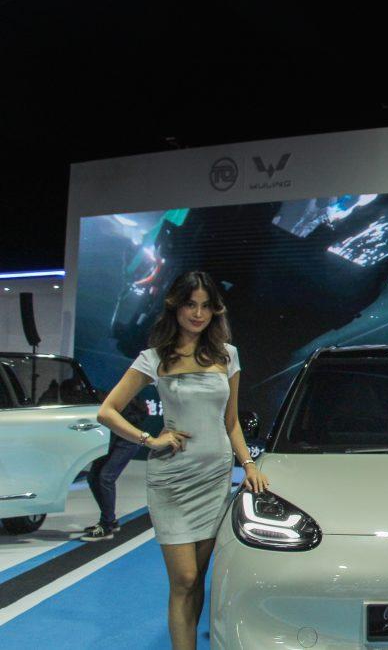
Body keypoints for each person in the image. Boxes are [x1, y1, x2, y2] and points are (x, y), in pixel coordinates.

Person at [97, 270, 269, 650]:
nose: (198, 313)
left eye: (206, 306)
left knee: (198, 580)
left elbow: (231, 421)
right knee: (184, 579)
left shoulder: (227, 355)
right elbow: (107, 411)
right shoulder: (154, 358)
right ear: (175, 306)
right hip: (172, 481)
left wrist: (249, 464)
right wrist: (149, 439)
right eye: (191, 304)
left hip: (214, 479)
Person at [81, 394, 148, 541]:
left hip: (128, 440)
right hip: (111, 439)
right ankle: (109, 520)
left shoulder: (123, 399)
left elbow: (138, 416)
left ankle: (106, 524)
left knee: (106, 477)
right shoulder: (102, 396)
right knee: (93, 477)